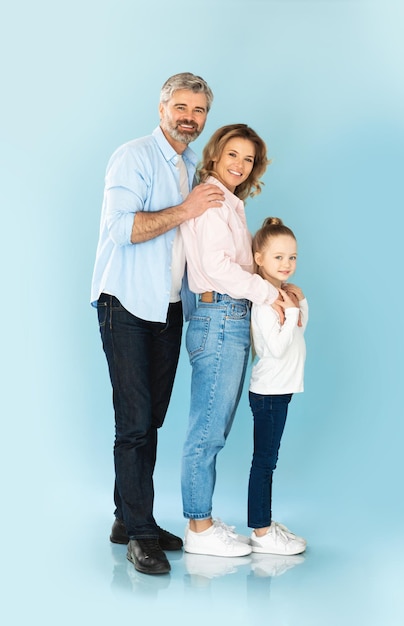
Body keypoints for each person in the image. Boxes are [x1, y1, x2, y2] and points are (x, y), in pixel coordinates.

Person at [90, 72, 225, 575]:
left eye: (199, 112)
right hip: (125, 303)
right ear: (162, 107)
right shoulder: (134, 157)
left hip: (169, 309)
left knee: (151, 420)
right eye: (182, 108)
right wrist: (185, 208)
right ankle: (141, 534)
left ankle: (127, 518)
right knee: (134, 423)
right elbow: (122, 228)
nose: (190, 119)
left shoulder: (193, 165)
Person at [180, 124, 282, 557]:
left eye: (248, 159)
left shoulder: (232, 203)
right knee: (207, 430)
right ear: (216, 155)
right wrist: (265, 291)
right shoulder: (213, 199)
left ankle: (203, 518)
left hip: (228, 316)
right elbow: (217, 267)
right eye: (233, 155)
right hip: (219, 315)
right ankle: (198, 528)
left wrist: (276, 287)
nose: (240, 165)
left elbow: (238, 266)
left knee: (214, 426)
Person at [247, 217, 308, 555]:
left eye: (292, 257)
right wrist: (291, 309)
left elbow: (300, 327)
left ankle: (265, 522)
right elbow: (277, 347)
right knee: (265, 461)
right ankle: (261, 530)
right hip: (269, 393)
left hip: (281, 390)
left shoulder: (283, 295)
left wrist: (299, 303)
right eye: (278, 257)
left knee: (269, 459)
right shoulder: (264, 302)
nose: (287, 264)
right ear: (259, 259)